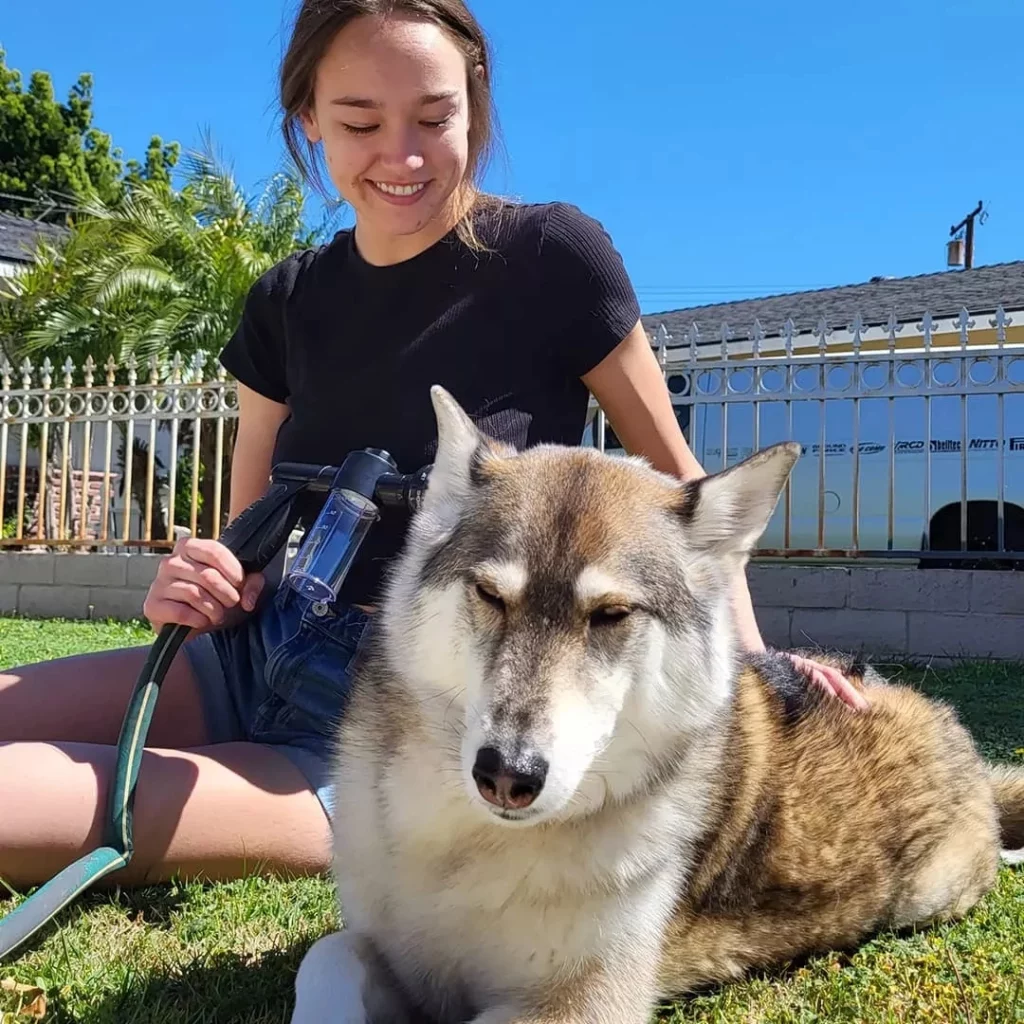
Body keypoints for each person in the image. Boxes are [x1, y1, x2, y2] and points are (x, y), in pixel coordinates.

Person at [0, 0, 868, 892]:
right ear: (308, 120)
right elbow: (244, 532)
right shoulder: (285, 300)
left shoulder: (555, 259)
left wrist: (756, 665)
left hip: (407, 717)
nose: (402, 156)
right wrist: (208, 578)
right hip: (249, 652)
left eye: (433, 116)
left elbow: (683, 488)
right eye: (360, 121)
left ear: (475, 101)